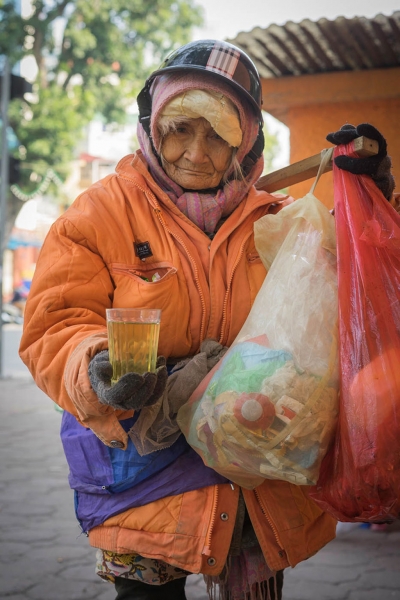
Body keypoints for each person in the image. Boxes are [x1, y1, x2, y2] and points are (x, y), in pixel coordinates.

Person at [19, 39, 396, 600]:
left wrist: (373, 192)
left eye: (219, 135)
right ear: (151, 126)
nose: (197, 152)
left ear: (246, 143)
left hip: (260, 473)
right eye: (180, 129)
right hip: (143, 477)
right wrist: (95, 364)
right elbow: (55, 325)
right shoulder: (98, 216)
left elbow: (363, 284)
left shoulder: (280, 224)